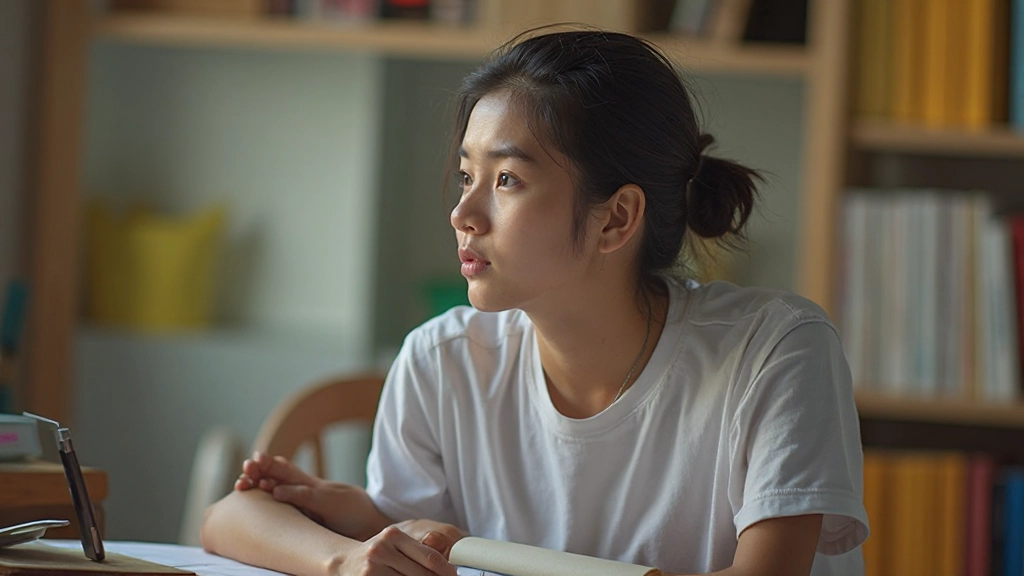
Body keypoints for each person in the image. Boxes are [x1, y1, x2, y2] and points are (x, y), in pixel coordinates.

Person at [200, 28, 868, 576]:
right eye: (467, 174)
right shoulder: (442, 360)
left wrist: (454, 544)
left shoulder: (776, 352)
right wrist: (350, 557)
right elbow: (227, 520)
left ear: (615, 219)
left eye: (508, 179)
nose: (464, 211)